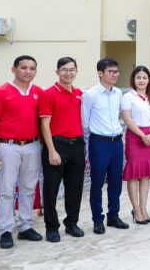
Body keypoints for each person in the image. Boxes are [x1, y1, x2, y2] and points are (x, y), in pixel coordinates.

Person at [0, 55, 44, 249]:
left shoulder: (38, 92)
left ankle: (25, 226)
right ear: (14, 69)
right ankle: (5, 230)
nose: (28, 71)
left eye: (32, 68)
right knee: (6, 189)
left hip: (32, 145)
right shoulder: (0, 92)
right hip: (7, 146)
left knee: (29, 187)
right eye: (23, 67)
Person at [39, 57, 86, 242]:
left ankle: (71, 223)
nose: (69, 73)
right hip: (57, 145)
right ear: (57, 72)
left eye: (72, 69)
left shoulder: (79, 94)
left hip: (77, 145)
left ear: (76, 72)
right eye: (64, 69)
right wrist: (51, 150)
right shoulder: (48, 94)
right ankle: (51, 227)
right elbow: (45, 125)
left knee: (75, 188)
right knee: (51, 188)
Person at [81, 57, 128, 234]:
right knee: (97, 182)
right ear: (100, 73)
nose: (115, 75)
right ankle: (97, 219)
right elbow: (85, 122)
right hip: (99, 142)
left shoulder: (118, 93)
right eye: (111, 72)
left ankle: (113, 215)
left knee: (116, 181)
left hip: (116, 142)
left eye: (117, 72)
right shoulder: (90, 95)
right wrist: (90, 142)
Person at [121, 66, 150, 225]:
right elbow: (127, 119)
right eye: (138, 77)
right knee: (134, 173)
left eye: (144, 77)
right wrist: (142, 135)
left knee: (145, 174)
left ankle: (143, 208)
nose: (141, 80)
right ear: (133, 79)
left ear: (149, 80)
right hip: (135, 137)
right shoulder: (128, 97)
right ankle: (136, 209)